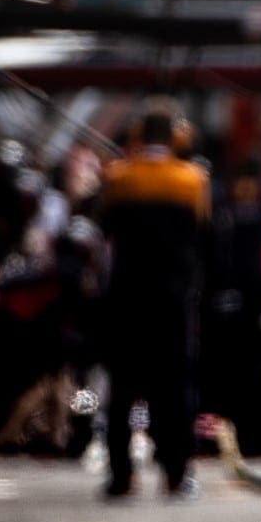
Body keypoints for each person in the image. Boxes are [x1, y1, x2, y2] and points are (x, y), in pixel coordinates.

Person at [98, 102, 209, 498]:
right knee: (174, 387)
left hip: (127, 298)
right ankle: (176, 474)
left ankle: (120, 475)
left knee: (123, 388)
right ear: (177, 137)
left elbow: (105, 228)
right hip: (173, 300)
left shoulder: (119, 178)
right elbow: (202, 236)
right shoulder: (192, 180)